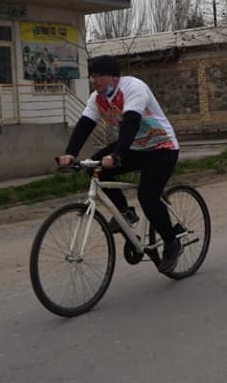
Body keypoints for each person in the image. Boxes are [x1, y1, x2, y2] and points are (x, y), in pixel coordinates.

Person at [58, 55, 184, 274]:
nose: (93, 81)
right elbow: (85, 125)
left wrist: (117, 155)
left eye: (98, 76)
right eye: (92, 76)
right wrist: (70, 153)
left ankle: (172, 243)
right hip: (135, 147)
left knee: (148, 195)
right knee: (95, 167)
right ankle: (125, 212)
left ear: (113, 77)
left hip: (161, 148)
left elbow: (131, 123)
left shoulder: (134, 88)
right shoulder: (97, 98)